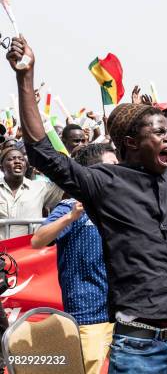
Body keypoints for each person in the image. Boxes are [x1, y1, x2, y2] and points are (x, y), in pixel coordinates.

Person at [7, 35, 167, 374]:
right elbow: (43, 153)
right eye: (159, 133)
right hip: (138, 349)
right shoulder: (104, 183)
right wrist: (25, 78)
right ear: (131, 143)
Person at [31, 143, 118, 374]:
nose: (119, 172)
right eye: (112, 166)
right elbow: (37, 240)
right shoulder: (71, 207)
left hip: (124, 314)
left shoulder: (119, 207)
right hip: (90, 317)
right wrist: (70, 217)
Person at [0, 147, 63, 239]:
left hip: (29, 250)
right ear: (1, 168)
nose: (17, 161)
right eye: (11, 159)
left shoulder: (41, 187)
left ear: (26, 166)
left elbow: (63, 180)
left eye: (21, 159)